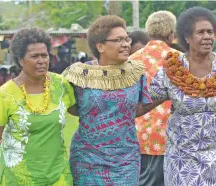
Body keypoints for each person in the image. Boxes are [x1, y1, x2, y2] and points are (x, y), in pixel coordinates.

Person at [148, 7, 216, 185]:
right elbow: (147, 101)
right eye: (200, 32)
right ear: (187, 37)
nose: (207, 36)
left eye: (210, 32)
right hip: (183, 156)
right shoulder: (172, 69)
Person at [0, 28, 74, 186]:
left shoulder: (61, 85)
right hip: (18, 178)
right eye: (34, 56)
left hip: (57, 175)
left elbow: (81, 111)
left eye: (44, 55)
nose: (41, 61)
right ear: (20, 60)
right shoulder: (5, 95)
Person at [62, 15, 152, 185]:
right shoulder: (79, 75)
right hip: (87, 159)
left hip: (126, 160)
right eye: (118, 40)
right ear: (100, 46)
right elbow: (70, 108)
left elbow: (139, 108)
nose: (126, 44)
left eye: (127, 39)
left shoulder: (136, 74)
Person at [129, 10, 178, 186]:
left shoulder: (132, 60)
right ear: (171, 34)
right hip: (170, 137)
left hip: (137, 136)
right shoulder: (179, 60)